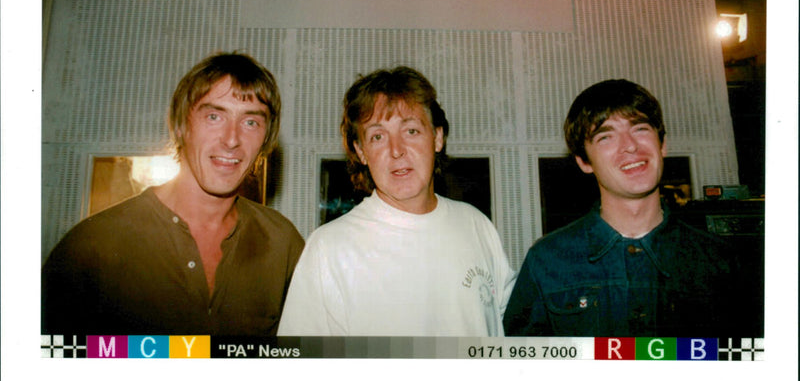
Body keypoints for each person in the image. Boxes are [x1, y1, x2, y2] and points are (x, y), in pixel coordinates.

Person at [42, 52, 304, 335]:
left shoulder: (282, 244)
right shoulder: (92, 247)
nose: (231, 139)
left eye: (251, 122)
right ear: (181, 126)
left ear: (266, 139)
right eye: (214, 116)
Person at [278, 66, 515, 336]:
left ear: (437, 138)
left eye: (411, 131)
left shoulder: (476, 224)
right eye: (378, 137)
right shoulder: (329, 248)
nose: (396, 150)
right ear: (361, 151)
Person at [504, 79, 748, 337]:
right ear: (584, 161)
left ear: (662, 145)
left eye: (640, 129)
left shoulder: (720, 261)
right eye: (606, 136)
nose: (630, 145)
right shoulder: (546, 261)